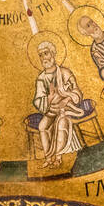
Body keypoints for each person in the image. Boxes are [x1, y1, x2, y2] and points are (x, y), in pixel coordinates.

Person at [33, 40, 86, 168]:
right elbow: (38, 99)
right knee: (42, 126)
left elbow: (77, 91)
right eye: (41, 55)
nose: (44, 58)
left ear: (53, 54)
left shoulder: (64, 72)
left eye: (46, 53)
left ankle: (58, 157)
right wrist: (49, 99)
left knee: (61, 123)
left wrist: (67, 98)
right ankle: (48, 157)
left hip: (67, 108)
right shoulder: (41, 78)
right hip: (51, 109)